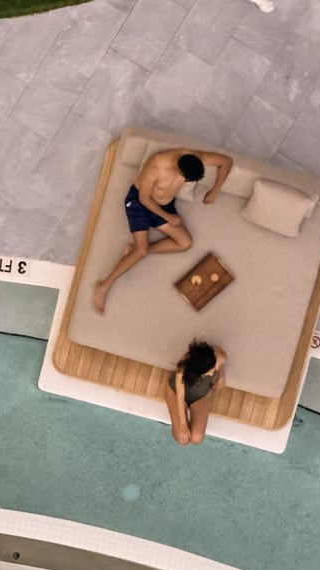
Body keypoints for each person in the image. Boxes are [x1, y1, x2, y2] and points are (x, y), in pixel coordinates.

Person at [92, 147, 234, 314]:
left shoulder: (195, 158)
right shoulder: (157, 164)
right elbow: (143, 198)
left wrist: (214, 190)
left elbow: (226, 162)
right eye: (184, 177)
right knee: (141, 250)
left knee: (185, 243)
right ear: (179, 168)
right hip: (140, 204)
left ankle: (134, 251)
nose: (183, 180)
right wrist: (168, 217)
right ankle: (102, 286)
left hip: (164, 205)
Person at [169, 339, 225, 446]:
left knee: (196, 438)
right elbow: (180, 396)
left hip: (201, 396)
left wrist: (221, 375)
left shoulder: (216, 356)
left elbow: (222, 358)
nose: (213, 371)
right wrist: (183, 424)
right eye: (211, 370)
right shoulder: (182, 368)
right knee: (180, 436)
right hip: (177, 392)